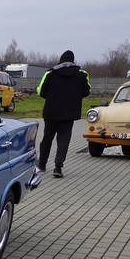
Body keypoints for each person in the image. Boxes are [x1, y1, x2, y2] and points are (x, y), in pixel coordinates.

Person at [36, 50, 90, 178]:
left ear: (60, 59)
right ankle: (58, 167)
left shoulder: (50, 73)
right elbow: (86, 92)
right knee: (63, 140)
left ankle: (42, 165)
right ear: (73, 60)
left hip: (51, 112)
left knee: (47, 139)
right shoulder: (82, 75)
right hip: (69, 114)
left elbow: (41, 92)